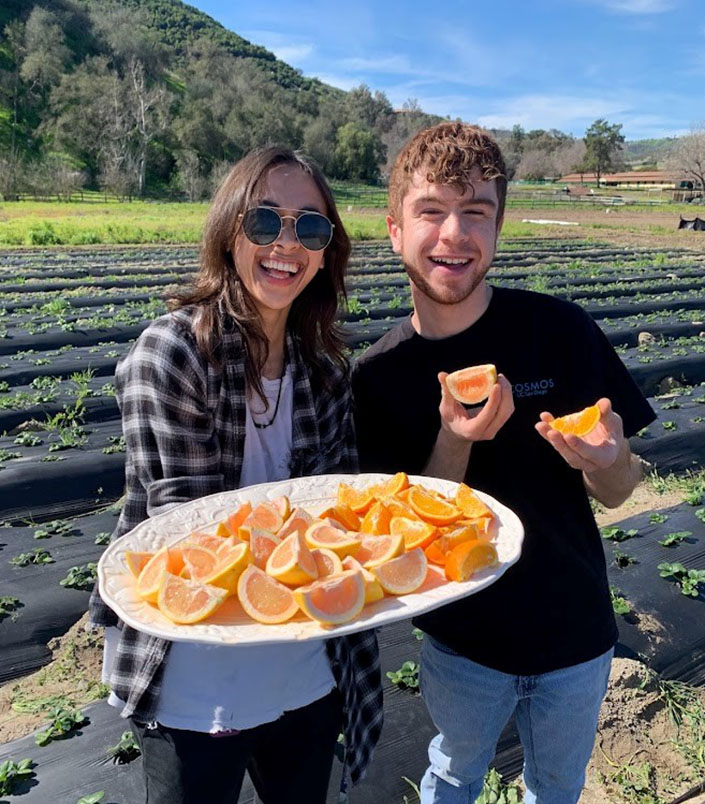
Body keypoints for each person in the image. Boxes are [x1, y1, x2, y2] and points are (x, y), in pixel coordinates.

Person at [352, 122, 655, 804]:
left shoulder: (559, 330)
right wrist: (455, 438)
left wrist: (605, 461)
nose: (453, 233)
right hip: (462, 647)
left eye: (475, 212)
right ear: (395, 230)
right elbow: (408, 528)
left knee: (554, 787)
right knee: (454, 774)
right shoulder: (377, 377)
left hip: (574, 634)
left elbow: (618, 490)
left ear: (496, 227)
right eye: (430, 211)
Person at [88, 146, 382, 804]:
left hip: (305, 671)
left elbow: (339, 511)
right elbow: (194, 535)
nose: (287, 243)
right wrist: (325, 532)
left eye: (310, 227)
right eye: (264, 221)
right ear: (228, 231)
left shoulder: (325, 373)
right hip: (196, 676)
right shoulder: (170, 355)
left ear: (326, 251)